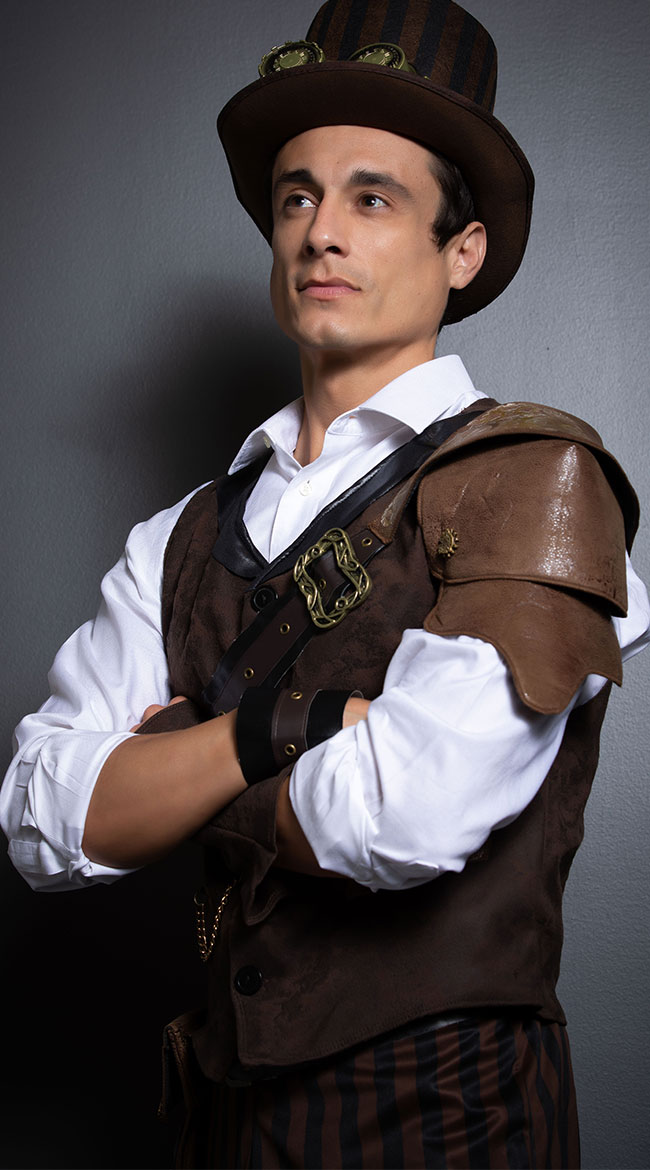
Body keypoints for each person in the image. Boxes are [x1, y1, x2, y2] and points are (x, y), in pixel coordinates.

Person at [2, 0, 649, 1166]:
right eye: (296, 197)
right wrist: (275, 731)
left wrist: (165, 762)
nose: (320, 233)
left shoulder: (537, 482)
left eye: (372, 198)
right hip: (219, 1122)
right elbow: (42, 820)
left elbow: (401, 815)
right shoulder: (178, 537)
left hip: (449, 1126)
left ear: (462, 250)